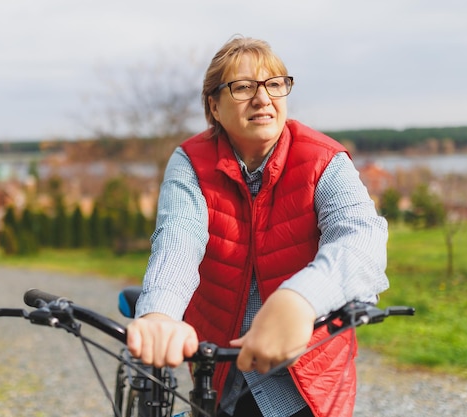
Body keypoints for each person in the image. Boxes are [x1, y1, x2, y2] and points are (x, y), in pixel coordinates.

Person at [126, 36, 389, 417]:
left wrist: (301, 299)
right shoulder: (191, 163)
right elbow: (178, 240)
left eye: (274, 84)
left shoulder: (323, 159)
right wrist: (160, 315)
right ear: (213, 106)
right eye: (243, 87)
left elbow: (361, 238)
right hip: (222, 372)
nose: (263, 99)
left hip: (307, 376)